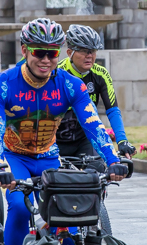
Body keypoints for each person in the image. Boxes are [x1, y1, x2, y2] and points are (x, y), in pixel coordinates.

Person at [0, 19, 129, 245]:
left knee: (71, 219)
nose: (46, 59)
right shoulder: (2, 86)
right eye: (39, 52)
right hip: (15, 157)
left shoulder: (71, 85)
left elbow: (93, 125)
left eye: (52, 53)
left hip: (49, 157)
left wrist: (113, 159)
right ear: (25, 49)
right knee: (18, 206)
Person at [57, 24, 135, 169]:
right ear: (69, 52)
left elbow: (112, 110)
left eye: (93, 51)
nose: (89, 56)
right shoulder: (58, 73)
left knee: (97, 176)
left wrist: (122, 141)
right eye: (84, 51)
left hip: (85, 140)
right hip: (56, 141)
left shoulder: (101, 74)